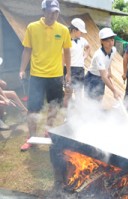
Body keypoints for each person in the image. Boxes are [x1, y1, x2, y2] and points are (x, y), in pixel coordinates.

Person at [19, 0, 72, 151]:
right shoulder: (32, 27)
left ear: (58, 12)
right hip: (36, 76)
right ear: (43, 11)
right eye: (49, 11)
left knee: (54, 107)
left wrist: (68, 73)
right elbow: (27, 50)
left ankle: (48, 131)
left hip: (56, 76)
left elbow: (67, 52)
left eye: (55, 12)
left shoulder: (63, 30)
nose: (52, 15)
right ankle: (31, 138)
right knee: (33, 108)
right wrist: (22, 69)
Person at [84, 27, 121, 101]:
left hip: (101, 78)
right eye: (107, 41)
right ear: (102, 42)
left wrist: (109, 71)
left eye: (112, 40)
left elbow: (109, 60)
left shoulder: (113, 50)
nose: (111, 43)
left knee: (99, 98)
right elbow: (104, 77)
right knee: (90, 102)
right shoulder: (99, 55)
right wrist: (114, 91)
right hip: (92, 78)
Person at [63, 18, 90, 107]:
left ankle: (78, 115)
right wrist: (65, 72)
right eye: (80, 31)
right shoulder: (66, 41)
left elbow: (88, 47)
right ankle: (66, 115)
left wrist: (85, 56)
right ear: (74, 30)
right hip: (69, 69)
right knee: (68, 93)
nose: (81, 33)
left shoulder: (82, 40)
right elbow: (63, 57)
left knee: (79, 93)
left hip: (80, 69)